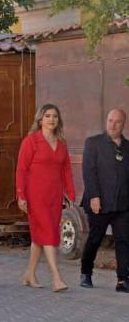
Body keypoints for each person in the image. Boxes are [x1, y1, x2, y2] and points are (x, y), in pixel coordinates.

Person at [16, 104, 74, 292]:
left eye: (55, 116)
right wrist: (21, 195)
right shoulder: (31, 141)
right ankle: (57, 278)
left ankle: (29, 274)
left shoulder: (62, 143)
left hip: (54, 196)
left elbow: (66, 170)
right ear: (40, 119)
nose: (51, 119)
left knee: (40, 236)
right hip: (36, 195)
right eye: (47, 116)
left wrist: (70, 193)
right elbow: (21, 170)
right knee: (49, 233)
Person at [79, 108, 129, 292]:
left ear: (123, 124)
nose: (113, 125)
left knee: (124, 240)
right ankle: (86, 273)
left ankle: (122, 280)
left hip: (123, 204)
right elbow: (89, 172)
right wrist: (94, 196)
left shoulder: (127, 147)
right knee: (95, 238)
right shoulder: (93, 143)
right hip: (99, 202)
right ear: (106, 121)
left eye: (117, 121)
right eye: (110, 120)